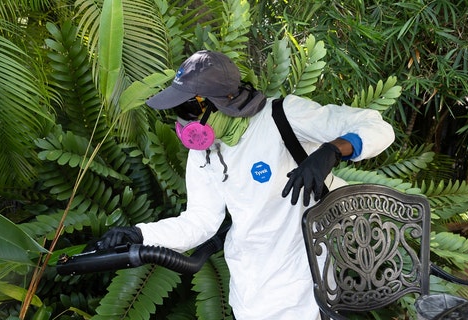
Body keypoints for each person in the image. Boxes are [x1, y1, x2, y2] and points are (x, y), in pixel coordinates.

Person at [95, 50, 395, 319]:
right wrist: (140, 233)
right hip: (249, 278)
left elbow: (376, 127)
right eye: (178, 112)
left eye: (188, 111)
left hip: (301, 266)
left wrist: (331, 151)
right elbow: (200, 220)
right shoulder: (203, 152)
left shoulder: (282, 116)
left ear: (221, 101)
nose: (184, 123)